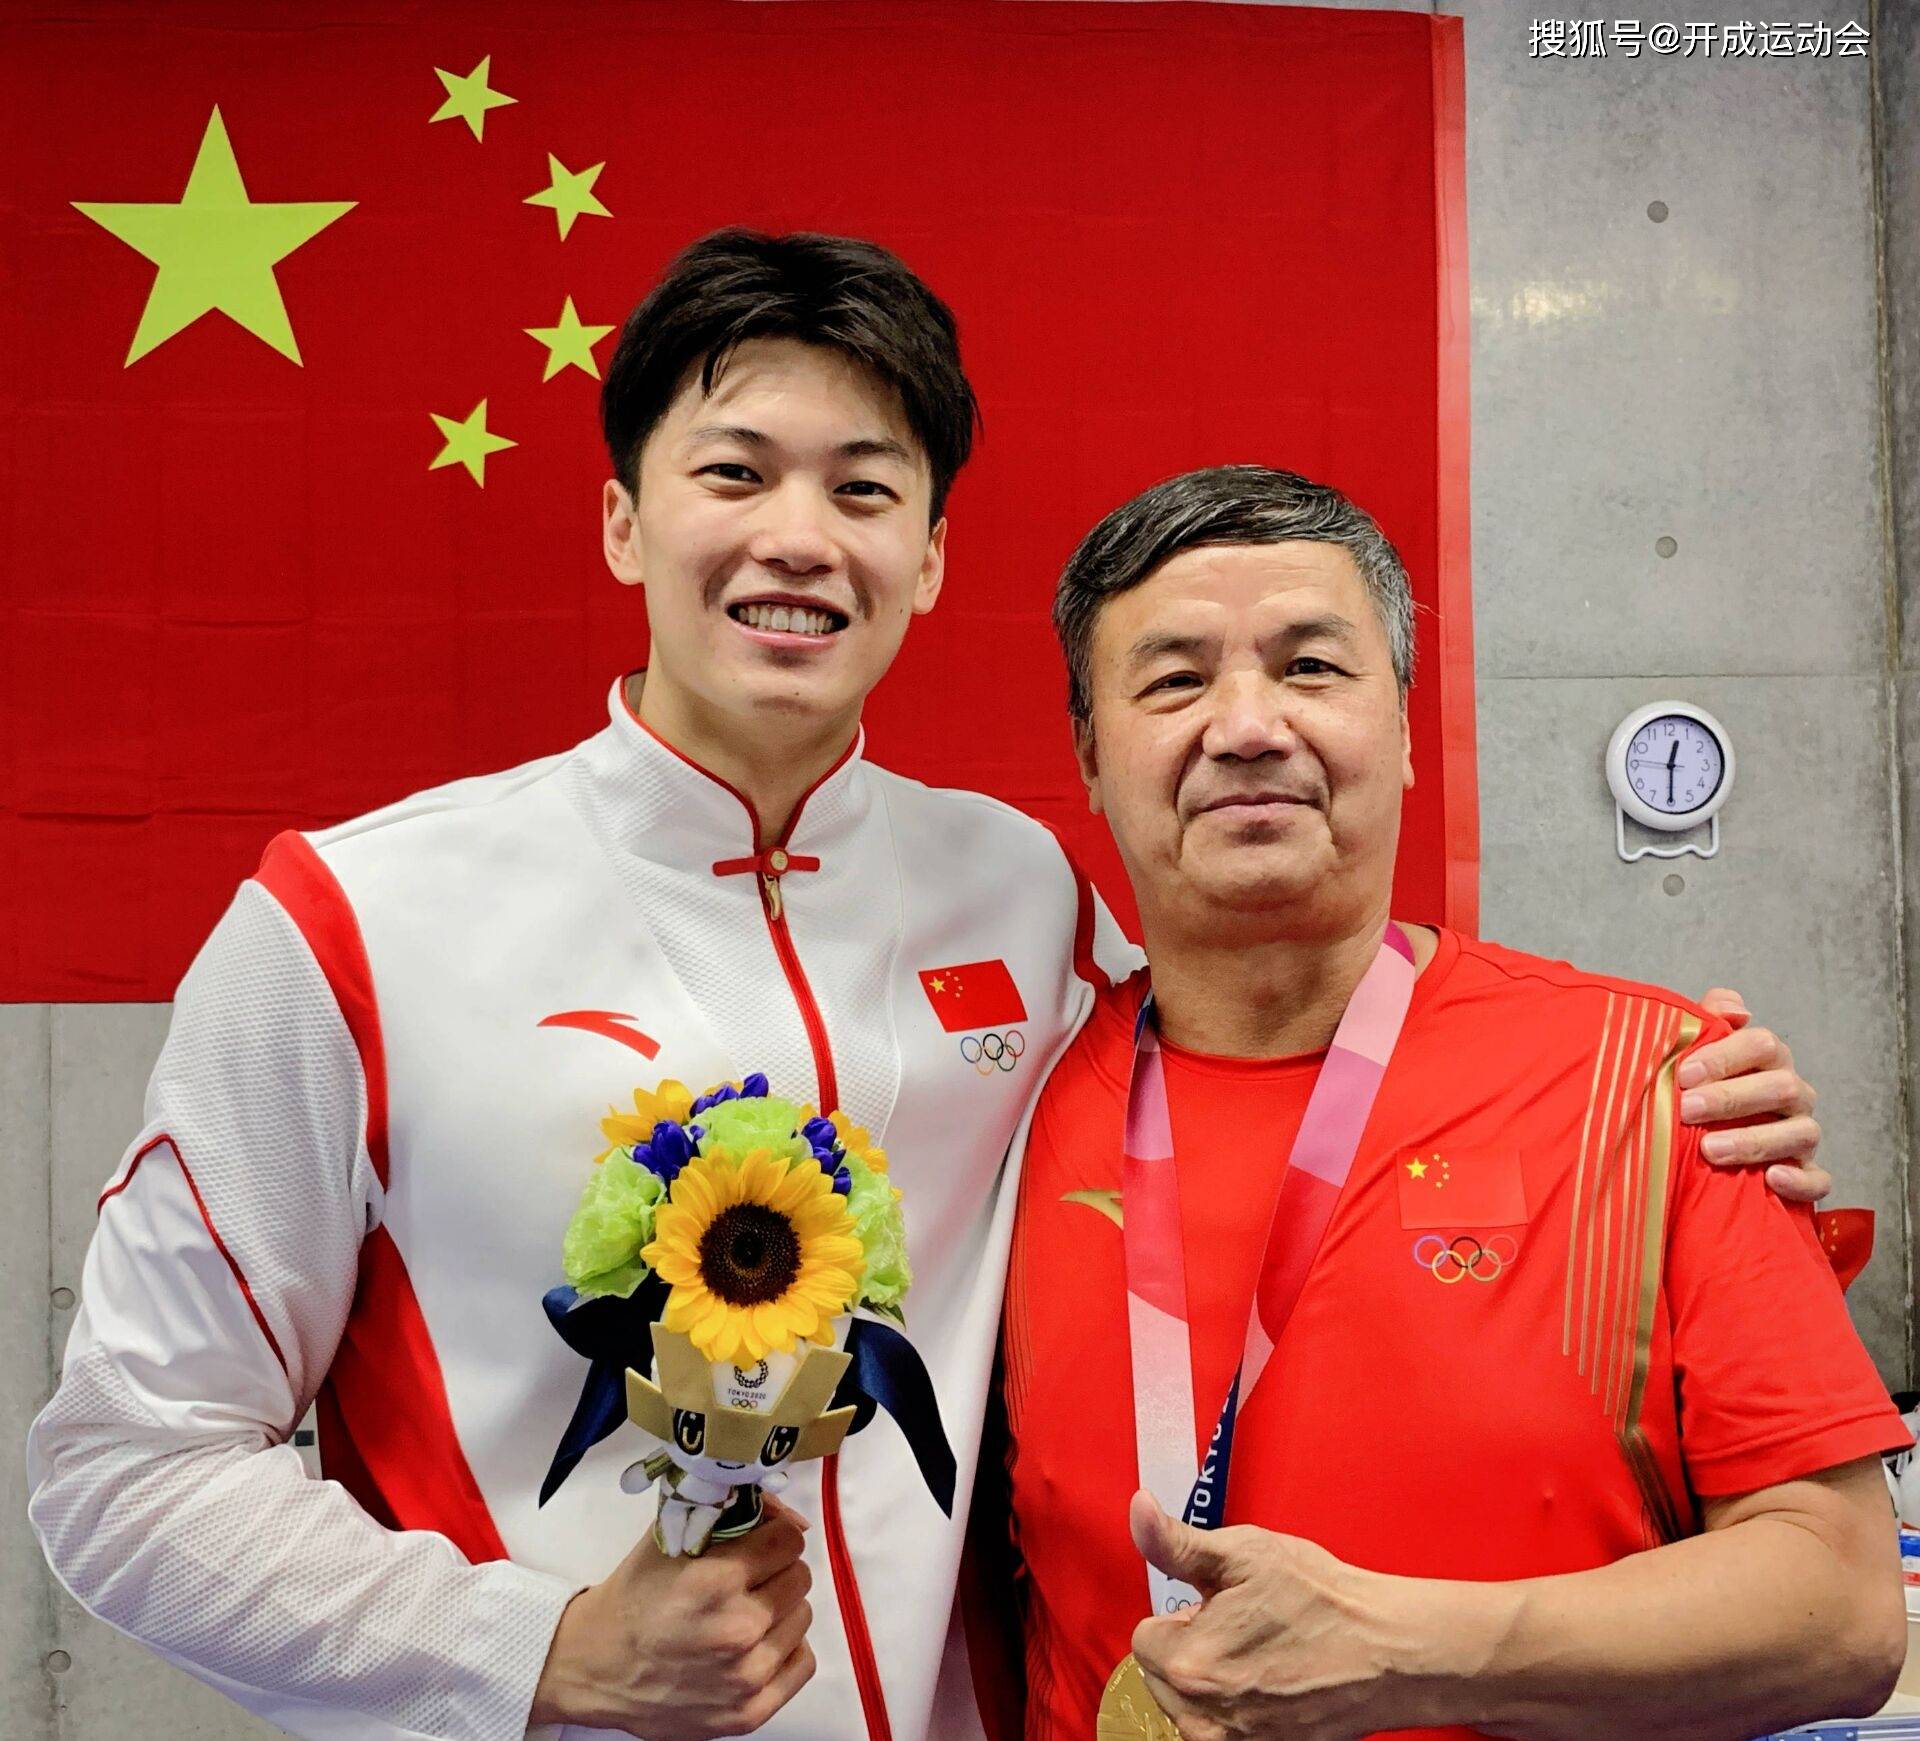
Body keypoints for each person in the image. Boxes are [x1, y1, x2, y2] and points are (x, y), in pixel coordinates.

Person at [26, 233, 1828, 1741]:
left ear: (931, 557)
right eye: (733, 473)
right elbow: (124, 1474)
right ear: (621, 524)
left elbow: (1286, 1044)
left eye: (864, 488)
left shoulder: (1019, 887)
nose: (800, 536)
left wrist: (1688, 1107)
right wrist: (537, 1653)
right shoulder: (348, 919)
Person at [1000, 464, 1910, 1741]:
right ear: (1092, 757)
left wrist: (1407, 1655)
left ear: (1411, 728)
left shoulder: (1661, 1083)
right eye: (1176, 679)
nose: (1249, 723)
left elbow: (1843, 1609)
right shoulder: (1004, 1116)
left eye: (1312, 667)